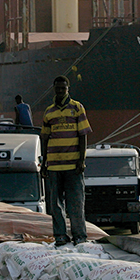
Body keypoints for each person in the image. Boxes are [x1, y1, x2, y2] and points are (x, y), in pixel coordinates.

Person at [40, 75, 92, 246]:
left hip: (73, 165)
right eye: (57, 88)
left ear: (68, 89)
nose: (60, 91)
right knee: (55, 204)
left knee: (76, 202)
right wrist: (44, 162)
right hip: (54, 165)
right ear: (54, 89)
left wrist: (81, 160)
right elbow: (45, 138)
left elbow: (82, 135)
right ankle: (60, 235)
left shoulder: (77, 108)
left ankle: (80, 236)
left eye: (63, 88)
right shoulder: (49, 112)